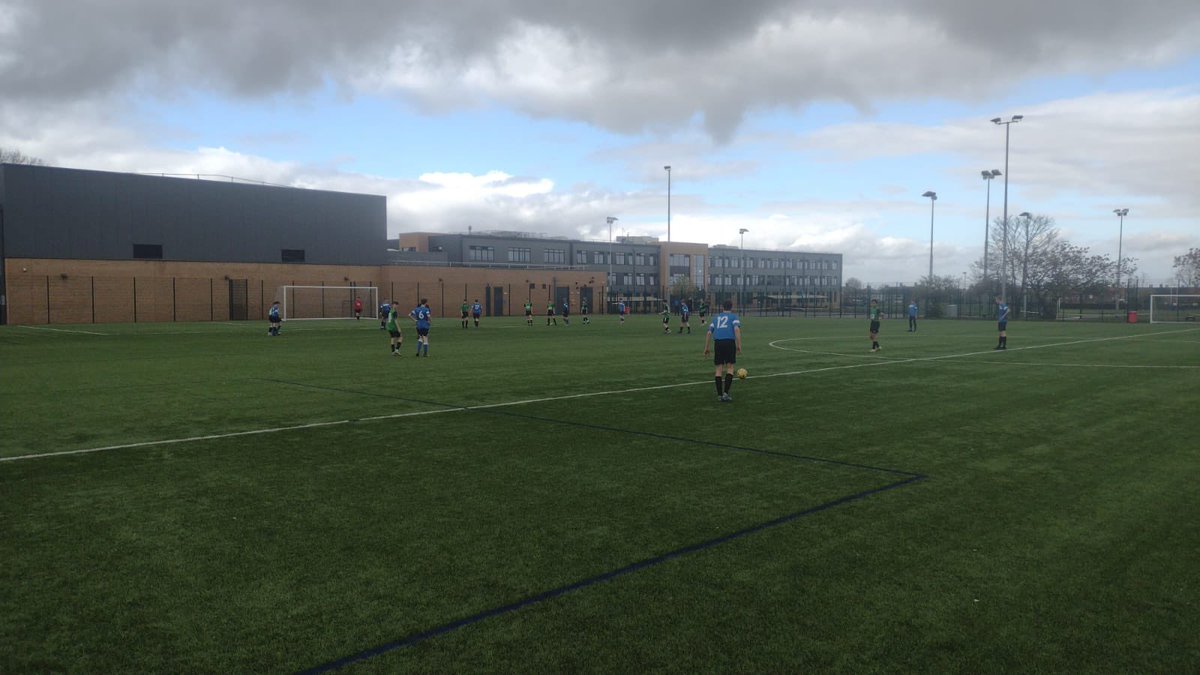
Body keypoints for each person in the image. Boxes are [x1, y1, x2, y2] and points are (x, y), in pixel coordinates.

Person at [703, 299, 742, 402]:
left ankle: (720, 395)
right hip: (729, 343)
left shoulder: (716, 318)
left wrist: (706, 348)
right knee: (730, 368)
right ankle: (726, 393)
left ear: (722, 307)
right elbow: (737, 329)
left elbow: (708, 333)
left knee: (718, 369)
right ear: (731, 307)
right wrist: (739, 345)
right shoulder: (734, 317)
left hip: (718, 343)